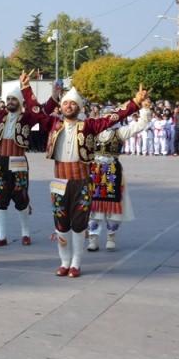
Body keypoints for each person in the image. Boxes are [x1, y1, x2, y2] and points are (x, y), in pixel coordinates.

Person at [42, 84, 146, 278]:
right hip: (59, 182)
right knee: (61, 224)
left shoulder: (88, 126)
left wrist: (135, 103)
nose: (69, 106)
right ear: (61, 106)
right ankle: (64, 262)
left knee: (79, 224)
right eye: (65, 103)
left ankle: (76, 263)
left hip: (82, 182)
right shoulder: (53, 124)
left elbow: (113, 117)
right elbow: (35, 114)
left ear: (79, 107)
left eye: (73, 103)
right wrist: (31, 91)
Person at [0, 71, 47, 247]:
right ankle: (2, 236)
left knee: (21, 197)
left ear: (20, 102)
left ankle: (26, 233)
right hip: (0, 162)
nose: (10, 102)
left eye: (14, 99)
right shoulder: (0, 115)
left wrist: (27, 88)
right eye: (8, 99)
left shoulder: (27, 117)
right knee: (0, 197)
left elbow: (38, 109)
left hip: (18, 160)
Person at [87, 102, 152, 252]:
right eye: (105, 116)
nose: (107, 119)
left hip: (112, 171)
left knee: (114, 205)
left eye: (110, 116)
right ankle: (93, 238)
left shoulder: (120, 132)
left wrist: (145, 109)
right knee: (93, 206)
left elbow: (140, 126)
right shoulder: (92, 132)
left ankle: (111, 237)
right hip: (94, 172)